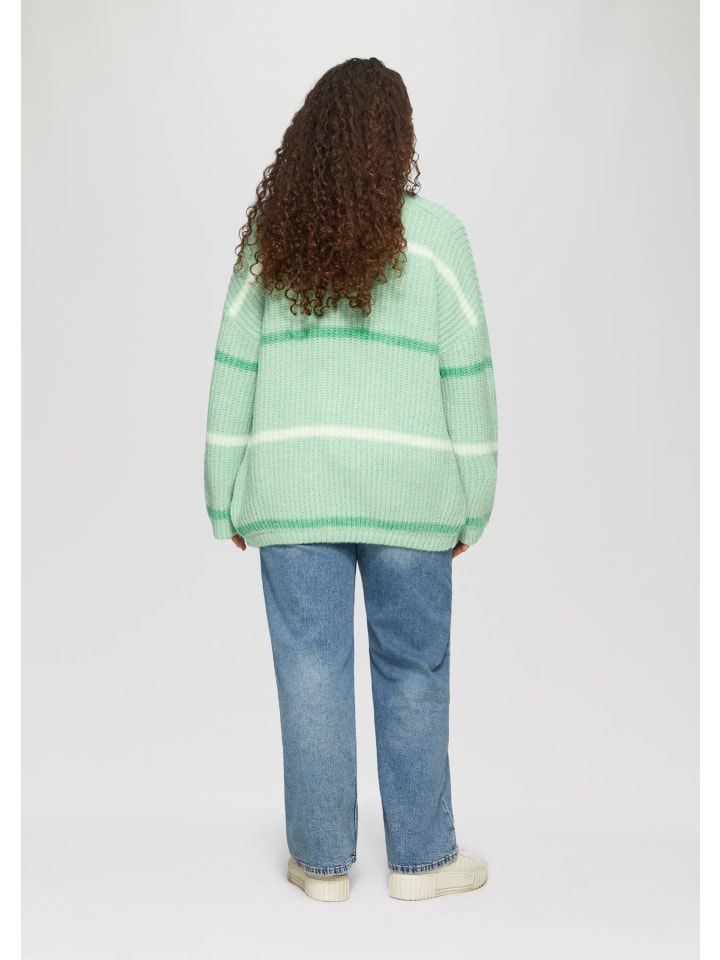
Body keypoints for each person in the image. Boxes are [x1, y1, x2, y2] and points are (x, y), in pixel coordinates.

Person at [203, 57, 498, 902]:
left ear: (311, 137)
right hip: (413, 494)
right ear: (399, 140)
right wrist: (475, 503)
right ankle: (422, 864)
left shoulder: (275, 242)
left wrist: (223, 493)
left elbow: (232, 368)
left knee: (309, 671)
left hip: (293, 492)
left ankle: (323, 869)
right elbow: (467, 377)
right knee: (414, 671)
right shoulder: (438, 238)